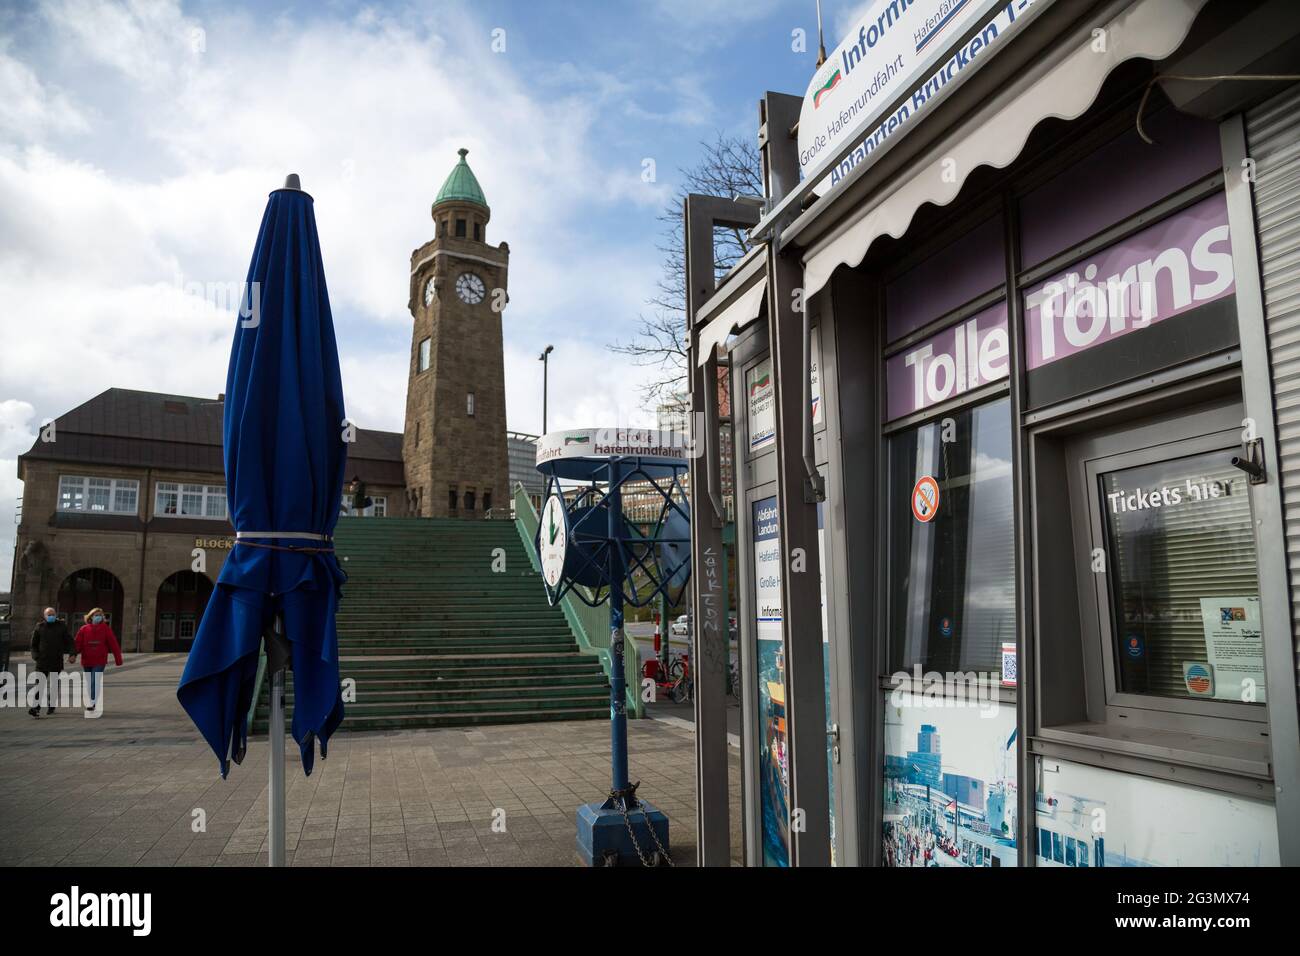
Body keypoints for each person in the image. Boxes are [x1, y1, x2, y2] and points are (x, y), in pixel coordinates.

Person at [71, 608, 122, 711]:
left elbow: (114, 644)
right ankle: (91, 699)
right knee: (89, 681)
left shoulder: (106, 629)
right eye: (95, 615)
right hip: (87, 660)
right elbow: (77, 643)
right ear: (91, 617)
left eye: (100, 615)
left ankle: (92, 702)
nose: (98, 617)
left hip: (99, 660)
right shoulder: (84, 629)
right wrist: (73, 655)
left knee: (95, 680)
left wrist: (118, 659)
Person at [29, 607, 74, 717]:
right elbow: (33, 644)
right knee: (39, 684)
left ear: (56, 615)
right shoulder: (39, 627)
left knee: (54, 684)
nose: (51, 616)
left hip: (56, 660)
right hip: (42, 661)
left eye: (52, 614)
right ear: (44, 616)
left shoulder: (61, 626)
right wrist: (36, 656)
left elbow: (69, 641)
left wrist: (72, 654)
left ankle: (51, 705)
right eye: (48, 614)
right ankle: (36, 708)